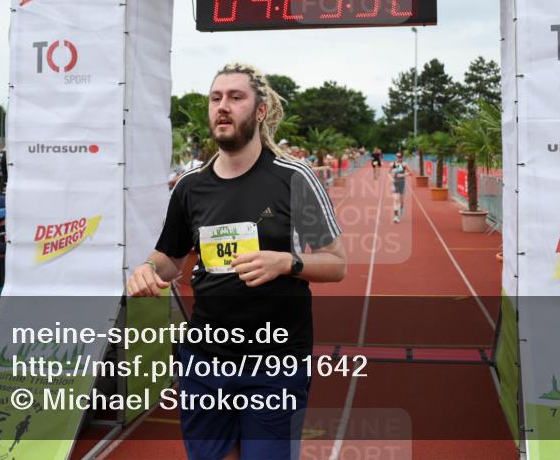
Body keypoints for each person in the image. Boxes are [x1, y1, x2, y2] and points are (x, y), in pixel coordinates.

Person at [127, 62, 346, 460]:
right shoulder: (190, 186)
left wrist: (287, 263)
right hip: (205, 362)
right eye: (215, 98)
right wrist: (147, 268)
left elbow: (337, 263)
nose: (222, 106)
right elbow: (170, 258)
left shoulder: (294, 178)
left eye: (235, 97)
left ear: (260, 111)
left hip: (275, 363)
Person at [390, 152, 411, 223]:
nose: (398, 158)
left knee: (401, 201)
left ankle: (401, 207)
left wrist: (403, 175)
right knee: (396, 200)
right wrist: (391, 178)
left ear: (402, 157)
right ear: (395, 157)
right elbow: (388, 173)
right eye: (397, 156)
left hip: (402, 183)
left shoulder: (404, 164)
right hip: (395, 184)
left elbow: (410, 173)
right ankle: (396, 217)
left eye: (400, 156)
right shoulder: (392, 164)